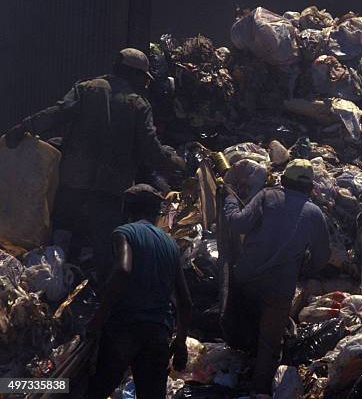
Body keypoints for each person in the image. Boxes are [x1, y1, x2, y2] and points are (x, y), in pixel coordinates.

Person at [4, 48, 185, 285]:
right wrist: (177, 163)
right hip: (110, 188)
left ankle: (50, 289)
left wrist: (25, 127)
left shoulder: (88, 88)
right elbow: (150, 149)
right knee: (105, 247)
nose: (144, 83)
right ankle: (101, 298)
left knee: (60, 237)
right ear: (133, 74)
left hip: (73, 180)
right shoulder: (138, 104)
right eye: (142, 77)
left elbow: (57, 113)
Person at [222, 159, 331, 397]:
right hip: (279, 289)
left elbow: (238, 224)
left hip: (246, 279)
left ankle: (229, 375)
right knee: (269, 345)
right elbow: (323, 256)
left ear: (283, 180)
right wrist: (304, 270)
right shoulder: (314, 213)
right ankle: (258, 391)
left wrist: (230, 198)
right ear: (309, 187)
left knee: (238, 327)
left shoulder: (266, 196)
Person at [87, 184, 192, 399]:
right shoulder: (171, 243)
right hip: (158, 332)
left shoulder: (124, 232)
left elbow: (123, 270)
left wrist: (99, 317)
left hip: (125, 327)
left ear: (128, 210)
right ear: (156, 212)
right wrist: (180, 342)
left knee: (98, 390)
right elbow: (185, 300)